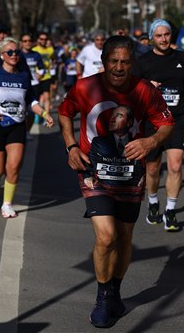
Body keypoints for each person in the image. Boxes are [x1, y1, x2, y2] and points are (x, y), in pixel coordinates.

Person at [58, 35, 174, 328]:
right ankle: (101, 298)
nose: (119, 67)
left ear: (132, 62)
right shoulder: (85, 86)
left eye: (125, 62)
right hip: (94, 173)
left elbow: (166, 123)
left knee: (124, 238)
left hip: (130, 174)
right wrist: (71, 147)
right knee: (106, 237)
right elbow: (64, 112)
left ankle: (114, 292)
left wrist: (150, 141)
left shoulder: (144, 90)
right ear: (104, 61)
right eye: (113, 61)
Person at [132, 19, 184, 232]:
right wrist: (146, 85)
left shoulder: (181, 57)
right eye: (159, 36)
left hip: (176, 119)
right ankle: (153, 201)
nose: (164, 39)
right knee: (153, 169)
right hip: (152, 121)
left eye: (166, 34)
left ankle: (171, 211)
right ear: (152, 38)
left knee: (175, 165)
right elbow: (131, 88)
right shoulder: (143, 62)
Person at [0, 37, 54, 216]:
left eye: (16, 52)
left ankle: (7, 204)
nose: (14, 55)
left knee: (14, 167)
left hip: (17, 126)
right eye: (10, 52)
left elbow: (31, 101)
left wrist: (44, 113)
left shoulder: (23, 76)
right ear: (2, 55)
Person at [32, 32, 54, 116]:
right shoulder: (34, 50)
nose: (43, 41)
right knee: (38, 98)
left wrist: (51, 64)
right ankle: (38, 114)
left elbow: (53, 59)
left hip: (46, 76)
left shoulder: (50, 50)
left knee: (47, 97)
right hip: (36, 77)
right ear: (38, 40)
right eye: (41, 39)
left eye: (45, 39)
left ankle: (47, 117)